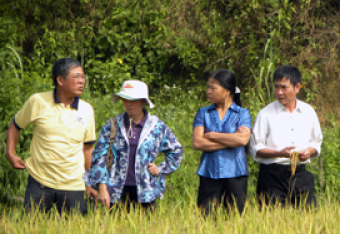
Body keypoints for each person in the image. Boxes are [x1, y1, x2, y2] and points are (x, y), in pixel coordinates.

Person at [6, 58, 96, 215]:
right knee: (32, 232)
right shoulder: (38, 101)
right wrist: (10, 153)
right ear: (60, 80)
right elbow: (15, 125)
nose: (81, 81)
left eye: (82, 77)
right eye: (76, 77)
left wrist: (90, 183)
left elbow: (87, 148)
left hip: (73, 185)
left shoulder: (86, 110)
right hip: (39, 183)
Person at [84, 80, 183, 211]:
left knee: (146, 230)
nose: (128, 104)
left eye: (133, 100)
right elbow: (99, 157)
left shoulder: (156, 127)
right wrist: (102, 188)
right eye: (125, 99)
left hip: (146, 192)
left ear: (143, 101)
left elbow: (176, 150)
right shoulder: (112, 125)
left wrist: (160, 169)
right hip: (116, 191)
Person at [250, 65, 323, 207]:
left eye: (284, 87)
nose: (279, 92)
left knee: (307, 221)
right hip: (272, 176)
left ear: (297, 87)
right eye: (276, 87)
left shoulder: (308, 112)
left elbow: (316, 143)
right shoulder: (265, 114)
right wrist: (279, 153)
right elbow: (256, 149)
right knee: (273, 223)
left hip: (301, 175)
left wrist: (308, 152)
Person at [192, 69, 251, 215]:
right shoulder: (203, 113)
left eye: (213, 88)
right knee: (206, 218)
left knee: (235, 219)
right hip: (209, 172)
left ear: (227, 91)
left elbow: (243, 139)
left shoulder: (242, 113)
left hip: (236, 173)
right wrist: (231, 140)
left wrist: (211, 135)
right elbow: (197, 143)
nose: (208, 92)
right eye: (208, 87)